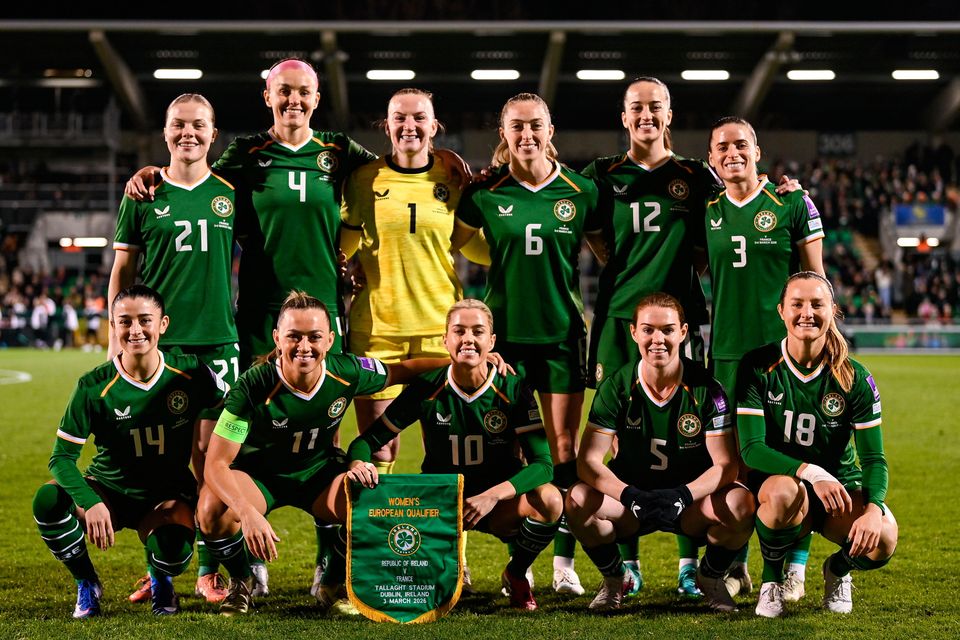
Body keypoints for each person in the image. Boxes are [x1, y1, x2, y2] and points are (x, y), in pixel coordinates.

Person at [196, 291, 506, 616]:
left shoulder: (348, 371)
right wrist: (246, 511)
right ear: (277, 338)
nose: (304, 346)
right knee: (212, 508)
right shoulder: (253, 384)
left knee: (368, 503)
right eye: (294, 336)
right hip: (260, 477)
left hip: (318, 474)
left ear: (330, 339)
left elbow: (403, 370)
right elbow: (215, 464)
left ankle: (332, 582)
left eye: (314, 337)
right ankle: (241, 581)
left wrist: (471, 360)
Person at [451, 92, 605, 596]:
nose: (526, 134)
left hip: (562, 335)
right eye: (516, 126)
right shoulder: (483, 192)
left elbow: (611, 257)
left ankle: (563, 563)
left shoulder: (582, 191)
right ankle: (519, 558)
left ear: (550, 129)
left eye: (535, 124)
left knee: (563, 450)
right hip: (504, 343)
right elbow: (445, 246)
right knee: (510, 451)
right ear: (504, 133)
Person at [582, 76, 714, 599]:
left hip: (679, 323)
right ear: (624, 116)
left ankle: (688, 563)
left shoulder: (695, 175)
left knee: (689, 440)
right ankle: (628, 563)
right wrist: (626, 271)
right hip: (619, 320)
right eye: (636, 107)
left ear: (669, 115)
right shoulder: (602, 174)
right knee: (619, 441)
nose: (646, 115)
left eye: (655, 107)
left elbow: (725, 220)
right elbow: (590, 230)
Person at [347, 299, 562, 610]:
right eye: (459, 331)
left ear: (492, 341)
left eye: (478, 331)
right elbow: (367, 441)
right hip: (441, 505)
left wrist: (492, 496)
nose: (468, 339)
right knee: (426, 588)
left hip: (497, 506)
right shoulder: (427, 387)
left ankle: (516, 573)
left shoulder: (513, 388)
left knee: (550, 500)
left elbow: (544, 466)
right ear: (444, 340)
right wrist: (358, 462)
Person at [110, 93, 238, 605]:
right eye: (179, 125)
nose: (189, 133)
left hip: (218, 344)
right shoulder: (142, 194)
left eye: (199, 125)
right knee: (159, 463)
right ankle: (159, 569)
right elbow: (123, 270)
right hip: (161, 347)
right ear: (164, 132)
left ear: (213, 133)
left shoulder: (230, 192)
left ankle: (209, 569)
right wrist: (116, 339)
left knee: (211, 459)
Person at [32, 285, 228, 618]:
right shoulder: (93, 386)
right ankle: (87, 582)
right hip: (108, 490)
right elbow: (61, 457)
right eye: (125, 321)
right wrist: (90, 501)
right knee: (48, 501)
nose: (135, 330)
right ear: (113, 326)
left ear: (163, 324)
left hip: (166, 496)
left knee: (174, 551)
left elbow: (236, 405)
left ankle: (161, 578)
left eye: (144, 320)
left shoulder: (191, 372)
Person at [566, 293, 754, 612]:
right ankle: (614, 580)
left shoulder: (707, 389)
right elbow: (588, 462)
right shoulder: (617, 386)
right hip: (631, 504)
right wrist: (629, 495)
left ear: (683, 332)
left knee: (741, 503)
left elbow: (726, 465)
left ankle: (709, 578)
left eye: (667, 330)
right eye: (648, 330)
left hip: (689, 504)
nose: (658, 339)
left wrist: (682, 495)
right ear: (634, 332)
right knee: (577, 500)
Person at [705, 115, 826, 598]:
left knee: (795, 458)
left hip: (785, 356)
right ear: (712, 159)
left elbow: (817, 282)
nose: (731, 153)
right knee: (734, 467)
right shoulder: (707, 210)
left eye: (740, 144)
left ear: (757, 152)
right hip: (727, 356)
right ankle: (737, 566)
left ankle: (795, 564)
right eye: (721, 147)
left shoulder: (792, 202)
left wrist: (817, 346)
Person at [737, 271, 897, 617]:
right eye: (797, 304)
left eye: (816, 304)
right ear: (781, 310)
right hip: (783, 489)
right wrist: (812, 472)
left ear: (833, 310)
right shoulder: (757, 366)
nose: (806, 313)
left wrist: (872, 510)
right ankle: (771, 582)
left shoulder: (855, 376)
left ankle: (837, 570)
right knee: (784, 492)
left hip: (838, 495)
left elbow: (874, 459)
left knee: (885, 536)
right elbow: (751, 449)